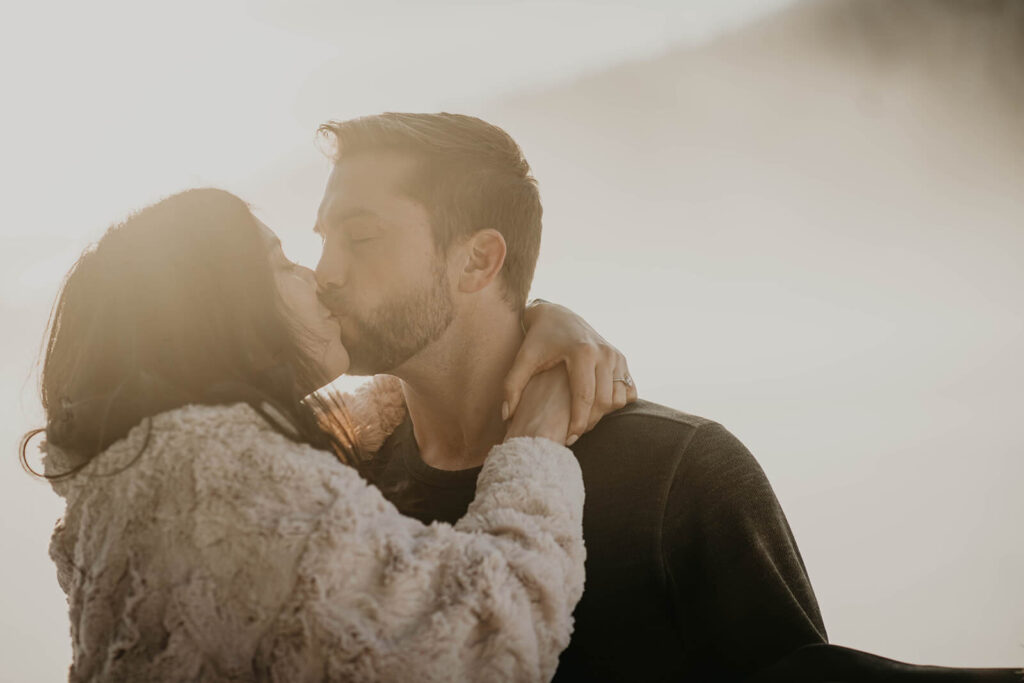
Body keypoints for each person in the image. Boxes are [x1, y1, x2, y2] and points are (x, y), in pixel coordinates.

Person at [23, 188, 636, 681]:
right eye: (281, 263)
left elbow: (348, 433)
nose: (317, 277)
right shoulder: (214, 477)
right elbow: (484, 642)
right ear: (222, 311)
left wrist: (523, 325)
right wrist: (535, 434)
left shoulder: (148, 473)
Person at [312, 112, 827, 681]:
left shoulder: (679, 473)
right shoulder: (339, 481)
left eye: (360, 238)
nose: (324, 272)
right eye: (324, 240)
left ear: (479, 260)